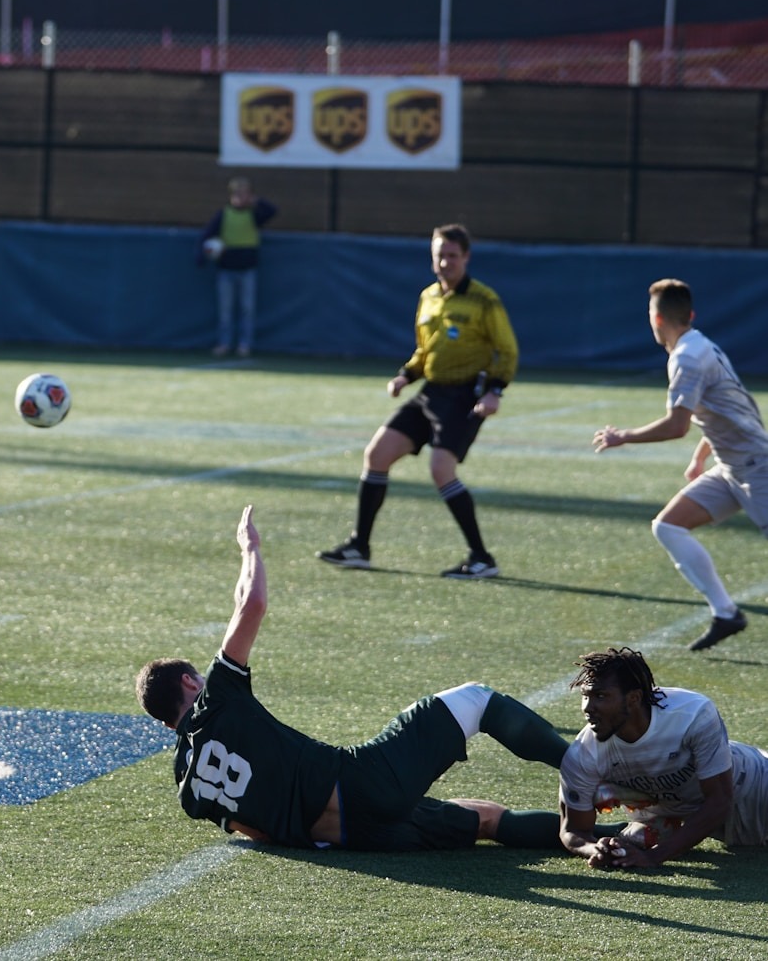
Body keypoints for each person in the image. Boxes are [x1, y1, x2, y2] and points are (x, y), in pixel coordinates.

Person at [135, 505, 572, 851]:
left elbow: (257, 832)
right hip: (360, 783)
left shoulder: (186, 784)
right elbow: (251, 605)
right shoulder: (216, 699)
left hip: (353, 839)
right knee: (475, 699)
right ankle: (584, 767)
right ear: (192, 684)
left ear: (163, 722)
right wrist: (250, 549)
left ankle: (615, 834)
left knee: (486, 820)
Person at [317, 224, 518, 580]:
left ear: (466, 258)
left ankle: (481, 557)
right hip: (431, 392)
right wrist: (405, 376)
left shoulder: (485, 300)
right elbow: (425, 351)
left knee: (441, 470)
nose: (445, 262)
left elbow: (507, 349)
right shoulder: (429, 297)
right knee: (377, 454)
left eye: (452, 255)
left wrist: (494, 391)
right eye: (440, 255)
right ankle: (358, 547)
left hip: (465, 396)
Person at [592, 278, 768, 651]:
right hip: (732, 466)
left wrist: (623, 436)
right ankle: (726, 613)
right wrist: (702, 455)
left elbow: (676, 425)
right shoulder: (701, 343)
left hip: (757, 467)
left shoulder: (687, 357)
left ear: (656, 319)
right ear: (690, 314)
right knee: (668, 526)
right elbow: (730, 408)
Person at [559, 647, 768, 869]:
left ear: (633, 698)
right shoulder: (583, 754)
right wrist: (596, 849)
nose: (588, 708)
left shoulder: (692, 714)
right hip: (686, 814)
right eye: (585, 696)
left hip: (754, 788)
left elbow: (720, 800)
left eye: (600, 696)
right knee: (633, 831)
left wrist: (654, 857)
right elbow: (573, 831)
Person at [197, 177, 277, 358]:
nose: (241, 198)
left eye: (245, 194)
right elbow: (207, 234)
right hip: (226, 270)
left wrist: (256, 201)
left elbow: (272, 211)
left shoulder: (253, 214)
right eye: (237, 194)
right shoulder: (224, 214)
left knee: (247, 309)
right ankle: (224, 343)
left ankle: (245, 344)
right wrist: (201, 256)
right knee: (225, 311)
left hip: (248, 269)